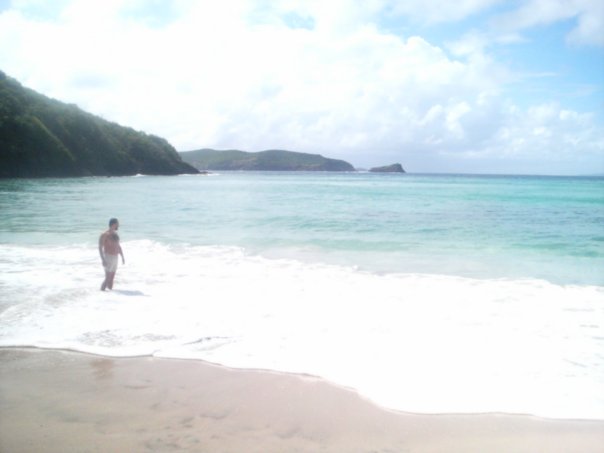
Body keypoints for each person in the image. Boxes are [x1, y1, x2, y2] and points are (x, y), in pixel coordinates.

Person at [99, 218, 125, 291]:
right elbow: (100, 247)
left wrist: (122, 256)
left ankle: (110, 295)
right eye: (117, 224)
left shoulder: (115, 234)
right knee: (107, 278)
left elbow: (118, 246)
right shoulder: (105, 234)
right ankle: (101, 293)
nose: (118, 226)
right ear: (114, 224)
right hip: (108, 257)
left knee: (112, 278)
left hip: (115, 257)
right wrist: (103, 259)